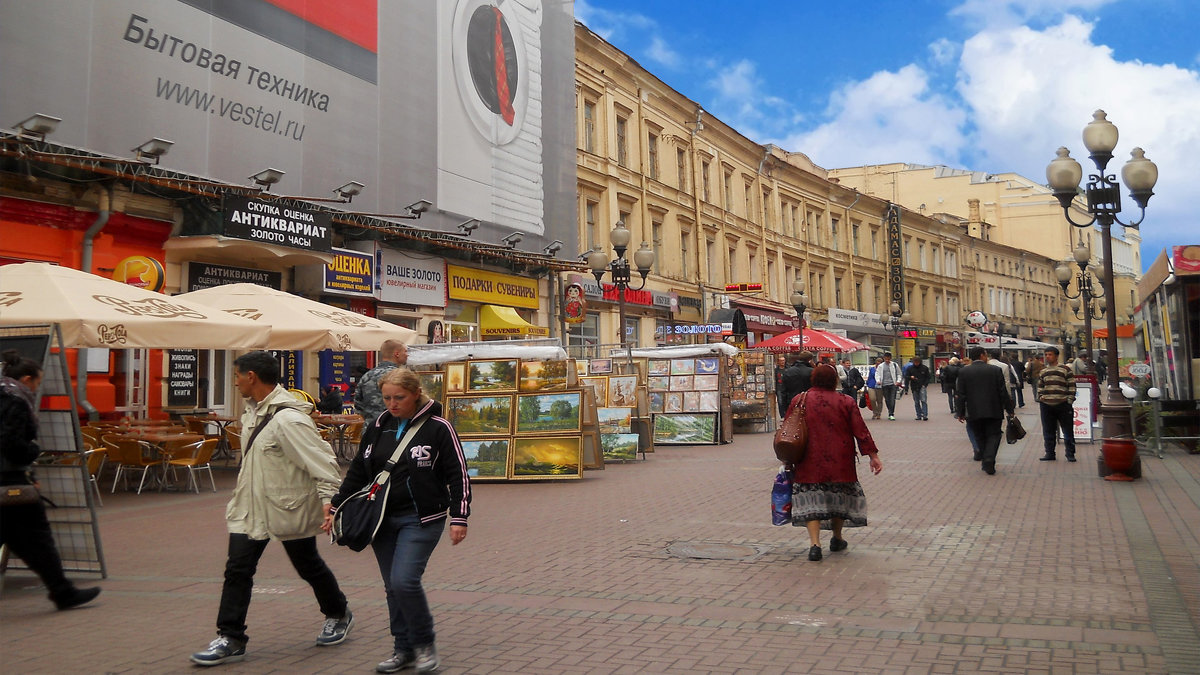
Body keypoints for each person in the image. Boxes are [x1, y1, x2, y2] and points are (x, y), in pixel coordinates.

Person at [191, 351, 352, 667]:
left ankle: (338, 612)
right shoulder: (252, 412)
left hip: (286, 507)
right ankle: (231, 637)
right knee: (238, 569)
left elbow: (322, 463)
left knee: (308, 564)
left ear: (251, 376)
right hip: (250, 509)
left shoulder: (288, 419)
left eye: (237, 375)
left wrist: (328, 502)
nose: (235, 382)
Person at [326, 368, 471, 674]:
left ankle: (424, 645)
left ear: (416, 394)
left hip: (421, 518)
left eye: (399, 398)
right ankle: (402, 648)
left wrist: (459, 516)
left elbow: (458, 474)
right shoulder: (379, 426)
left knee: (404, 581)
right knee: (393, 586)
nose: (392, 404)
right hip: (381, 519)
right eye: (387, 398)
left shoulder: (438, 428)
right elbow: (358, 471)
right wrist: (336, 505)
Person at [0, 350, 101, 611]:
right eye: (35, 382)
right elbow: (12, 444)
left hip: (9, 480)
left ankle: (62, 591)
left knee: (29, 541)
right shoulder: (15, 401)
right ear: (25, 379)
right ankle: (63, 592)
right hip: (11, 482)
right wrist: (33, 452)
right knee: (38, 538)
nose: (36, 388)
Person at [787, 363, 883, 561]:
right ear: (835, 380)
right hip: (840, 458)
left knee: (811, 499)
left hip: (808, 458)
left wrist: (786, 457)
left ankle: (814, 544)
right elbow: (860, 430)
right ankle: (836, 537)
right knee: (838, 496)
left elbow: (789, 427)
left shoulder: (800, 400)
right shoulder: (845, 401)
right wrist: (872, 455)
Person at [955, 347, 1014, 475]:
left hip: (973, 410)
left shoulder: (964, 372)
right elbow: (1002, 391)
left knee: (979, 435)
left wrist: (960, 412)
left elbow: (961, 394)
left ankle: (985, 456)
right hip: (994, 409)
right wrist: (1010, 409)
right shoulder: (995, 370)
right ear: (982, 355)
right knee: (994, 435)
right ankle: (989, 459)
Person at [1036, 346, 1077, 462]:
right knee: (1048, 430)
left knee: (1067, 430)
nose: (1047, 357)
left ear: (1056, 356)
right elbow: (1040, 386)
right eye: (1046, 355)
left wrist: (1069, 400)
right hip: (1046, 405)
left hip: (1063, 403)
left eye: (1050, 354)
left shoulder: (1065, 370)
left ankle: (1070, 453)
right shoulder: (1043, 371)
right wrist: (1041, 397)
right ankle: (1049, 453)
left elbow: (1072, 385)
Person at [355, 340, 410, 423]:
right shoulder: (402, 376)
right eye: (405, 351)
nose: (407, 355)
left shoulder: (367, 376)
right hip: (395, 429)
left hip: (370, 429)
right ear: (397, 354)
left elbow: (358, 405)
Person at [777, 351, 814, 418]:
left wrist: (785, 408)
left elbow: (784, 391)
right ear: (810, 360)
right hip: (808, 404)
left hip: (792, 403)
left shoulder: (789, 371)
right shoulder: (812, 372)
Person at [873, 352, 902, 420]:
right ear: (884, 358)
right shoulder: (881, 366)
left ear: (890, 358)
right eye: (886, 359)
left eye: (888, 359)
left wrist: (898, 381)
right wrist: (878, 381)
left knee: (892, 399)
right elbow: (877, 374)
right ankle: (890, 410)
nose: (887, 361)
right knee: (887, 399)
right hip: (884, 385)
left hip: (893, 384)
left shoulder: (894, 365)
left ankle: (891, 413)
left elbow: (899, 374)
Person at [906, 356, 931, 420]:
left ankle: (925, 415)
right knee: (916, 402)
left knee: (923, 401)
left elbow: (928, 377)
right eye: (915, 362)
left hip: (922, 386)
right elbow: (906, 376)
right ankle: (919, 415)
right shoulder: (910, 368)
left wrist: (925, 385)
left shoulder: (924, 368)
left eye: (917, 362)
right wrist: (910, 377)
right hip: (914, 387)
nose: (916, 363)